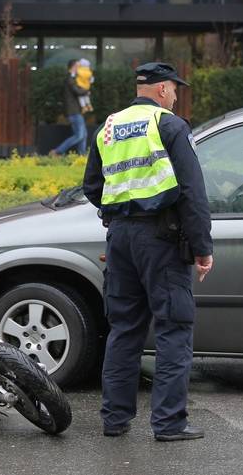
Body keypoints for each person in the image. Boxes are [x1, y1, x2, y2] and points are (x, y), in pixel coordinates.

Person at [82, 61, 214, 442]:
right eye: (174, 89)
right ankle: (170, 424)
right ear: (161, 90)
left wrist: (123, 208)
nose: (175, 95)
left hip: (120, 238)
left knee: (124, 329)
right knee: (174, 328)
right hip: (161, 239)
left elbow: (93, 186)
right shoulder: (170, 125)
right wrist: (202, 247)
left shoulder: (107, 129)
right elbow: (191, 192)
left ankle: (115, 420)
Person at [50, 59, 89, 156]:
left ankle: (82, 156)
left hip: (75, 111)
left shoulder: (72, 79)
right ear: (74, 67)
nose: (80, 69)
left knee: (83, 135)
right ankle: (57, 151)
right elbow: (77, 91)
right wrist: (86, 90)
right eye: (78, 66)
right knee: (79, 135)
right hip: (73, 111)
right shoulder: (70, 79)